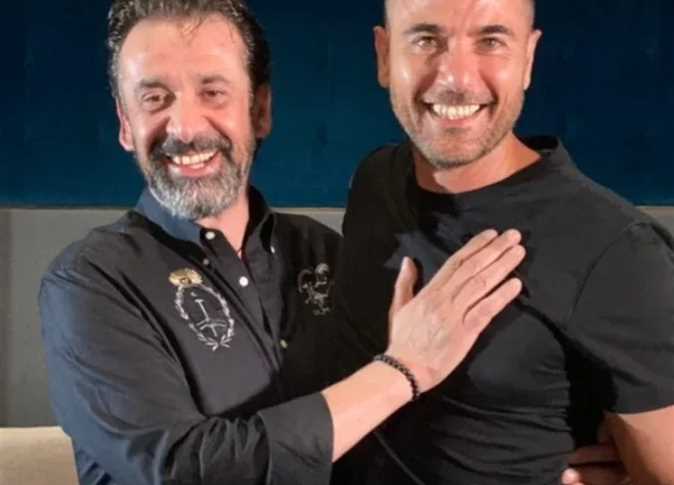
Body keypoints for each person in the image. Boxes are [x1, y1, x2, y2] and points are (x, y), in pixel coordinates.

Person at [39, 1, 528, 484]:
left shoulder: (324, 252)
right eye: (155, 99)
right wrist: (400, 369)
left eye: (213, 93)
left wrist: (536, 466)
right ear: (126, 125)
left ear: (260, 111)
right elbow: (185, 470)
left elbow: (397, 438)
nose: (185, 127)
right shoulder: (89, 283)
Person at [336, 0, 674, 483]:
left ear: (528, 60)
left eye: (491, 41)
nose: (456, 77)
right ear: (384, 55)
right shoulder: (374, 182)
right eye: (426, 40)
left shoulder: (619, 252)